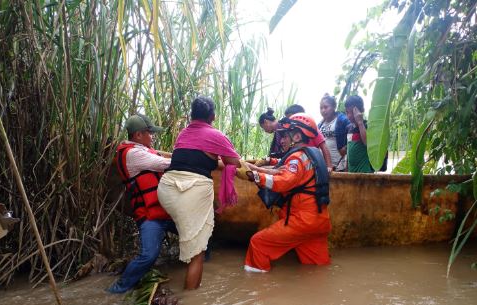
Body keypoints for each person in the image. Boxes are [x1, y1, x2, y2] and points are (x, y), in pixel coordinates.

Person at [157, 96, 240, 290]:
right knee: (198, 253)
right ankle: (190, 301)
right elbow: (234, 162)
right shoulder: (216, 135)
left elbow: (196, 157)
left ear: (192, 115)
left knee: (190, 236)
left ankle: (182, 250)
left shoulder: (183, 134)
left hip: (167, 189)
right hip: (191, 190)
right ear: (212, 116)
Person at [237, 113, 332, 272]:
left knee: (258, 243)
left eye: (285, 136)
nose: (281, 140)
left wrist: (253, 176)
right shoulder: (312, 154)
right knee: (318, 270)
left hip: (302, 221)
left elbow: (284, 181)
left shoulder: (297, 158)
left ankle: (256, 288)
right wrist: (268, 162)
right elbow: (286, 166)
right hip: (319, 221)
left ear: (296, 136)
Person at [108, 114, 176, 294]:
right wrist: (192, 159)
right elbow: (166, 164)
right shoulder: (134, 154)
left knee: (199, 237)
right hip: (150, 215)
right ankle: (117, 289)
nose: (152, 136)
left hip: (166, 212)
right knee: (148, 256)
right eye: (150, 133)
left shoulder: (142, 150)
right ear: (138, 135)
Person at [257, 104, 333, 172]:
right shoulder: (290, 133)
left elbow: (324, 147)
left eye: (290, 118)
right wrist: (269, 161)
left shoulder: (312, 130)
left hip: (308, 166)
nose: (288, 121)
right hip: (298, 164)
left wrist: (329, 166)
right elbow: (286, 156)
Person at [318, 94, 350, 172]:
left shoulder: (342, 120)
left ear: (333, 107)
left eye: (326, 107)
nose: (323, 110)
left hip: (339, 166)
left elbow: (353, 135)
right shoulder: (320, 124)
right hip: (324, 167)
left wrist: (346, 148)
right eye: (321, 108)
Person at [344, 95, 374, 173]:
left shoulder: (367, 125)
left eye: (352, 112)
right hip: (351, 173)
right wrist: (346, 170)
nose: (349, 115)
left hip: (364, 173)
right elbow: (348, 151)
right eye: (347, 112)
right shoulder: (349, 128)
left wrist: (360, 123)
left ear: (361, 111)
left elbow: (366, 142)